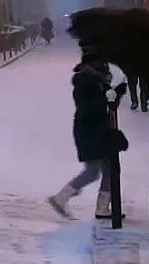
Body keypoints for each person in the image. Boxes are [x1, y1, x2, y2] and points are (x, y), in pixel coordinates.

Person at [49, 49, 124, 220]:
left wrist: (116, 93)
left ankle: (101, 207)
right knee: (94, 170)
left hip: (97, 130)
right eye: (102, 65)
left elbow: (109, 104)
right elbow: (90, 108)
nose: (105, 68)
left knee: (107, 169)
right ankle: (62, 198)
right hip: (89, 131)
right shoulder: (84, 82)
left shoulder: (95, 81)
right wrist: (107, 96)